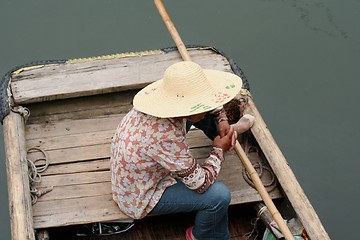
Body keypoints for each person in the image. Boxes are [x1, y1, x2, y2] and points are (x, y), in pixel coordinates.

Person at [110, 61, 255, 240]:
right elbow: (201, 184)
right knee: (219, 196)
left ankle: (225, 133)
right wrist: (218, 150)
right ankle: (205, 236)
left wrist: (222, 120)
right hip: (140, 195)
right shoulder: (166, 136)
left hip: (136, 174)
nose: (207, 106)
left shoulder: (162, 105)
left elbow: (205, 102)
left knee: (199, 116)